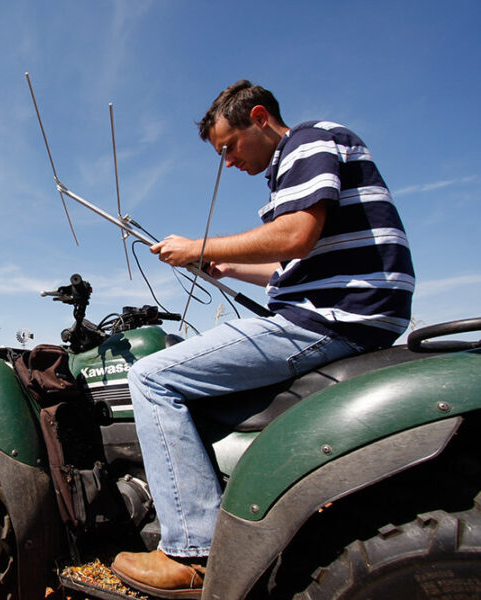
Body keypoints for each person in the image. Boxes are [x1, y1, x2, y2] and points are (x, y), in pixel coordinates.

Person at [110, 80, 414, 597]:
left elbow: (296, 235)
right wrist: (228, 267)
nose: (227, 163)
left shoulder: (309, 141)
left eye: (228, 147)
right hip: (347, 310)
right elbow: (291, 264)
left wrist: (197, 246)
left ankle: (190, 549)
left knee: (150, 375)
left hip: (333, 317)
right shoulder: (293, 168)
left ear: (259, 117)